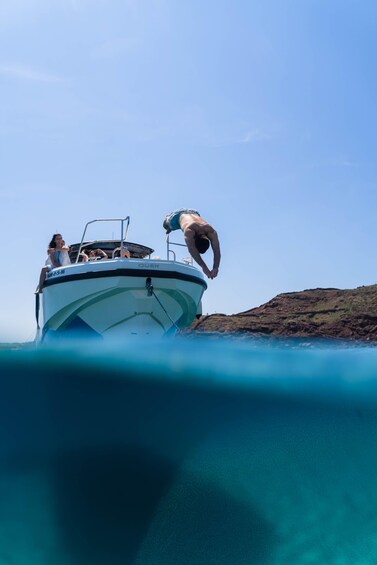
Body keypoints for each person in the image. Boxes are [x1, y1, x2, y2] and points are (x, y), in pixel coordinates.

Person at [163, 208, 220, 279]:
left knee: (178, 224)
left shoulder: (211, 231)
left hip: (194, 212)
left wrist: (215, 268)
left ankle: (170, 225)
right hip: (177, 216)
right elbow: (192, 249)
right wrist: (204, 267)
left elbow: (217, 250)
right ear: (194, 240)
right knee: (166, 225)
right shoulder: (189, 230)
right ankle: (168, 218)